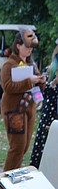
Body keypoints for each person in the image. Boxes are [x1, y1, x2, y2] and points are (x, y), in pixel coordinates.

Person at [1, 27, 45, 171]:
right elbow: (7, 86)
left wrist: (41, 81)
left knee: (24, 146)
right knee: (17, 147)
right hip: (14, 110)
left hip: (29, 109)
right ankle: (6, 178)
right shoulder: (9, 64)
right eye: (27, 46)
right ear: (18, 46)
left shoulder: (31, 64)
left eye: (31, 47)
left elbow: (37, 89)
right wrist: (29, 81)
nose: (30, 50)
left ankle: (13, 174)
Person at [30, 40, 58, 168]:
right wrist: (53, 83)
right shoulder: (50, 69)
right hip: (49, 113)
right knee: (44, 145)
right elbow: (39, 95)